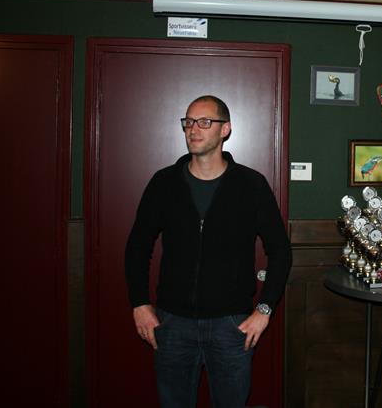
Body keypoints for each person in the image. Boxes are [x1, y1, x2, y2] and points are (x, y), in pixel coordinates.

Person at [125, 95, 292, 408]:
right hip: (172, 324)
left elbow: (280, 250)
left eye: (204, 122)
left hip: (232, 326)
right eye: (188, 122)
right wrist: (139, 303)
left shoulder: (251, 184)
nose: (193, 129)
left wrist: (264, 309)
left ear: (225, 129)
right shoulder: (164, 183)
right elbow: (137, 246)